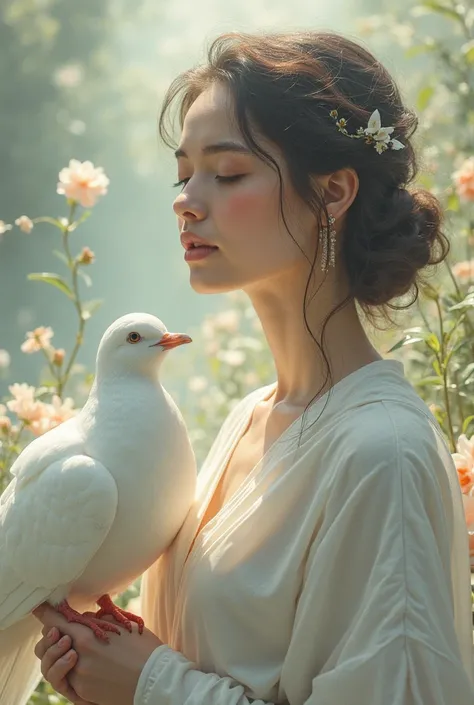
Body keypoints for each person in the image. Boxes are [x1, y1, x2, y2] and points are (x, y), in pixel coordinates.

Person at [33, 29, 474, 705]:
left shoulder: (381, 455)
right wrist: (100, 657)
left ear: (333, 193)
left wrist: (149, 684)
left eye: (228, 172)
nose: (186, 198)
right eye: (184, 174)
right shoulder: (249, 417)